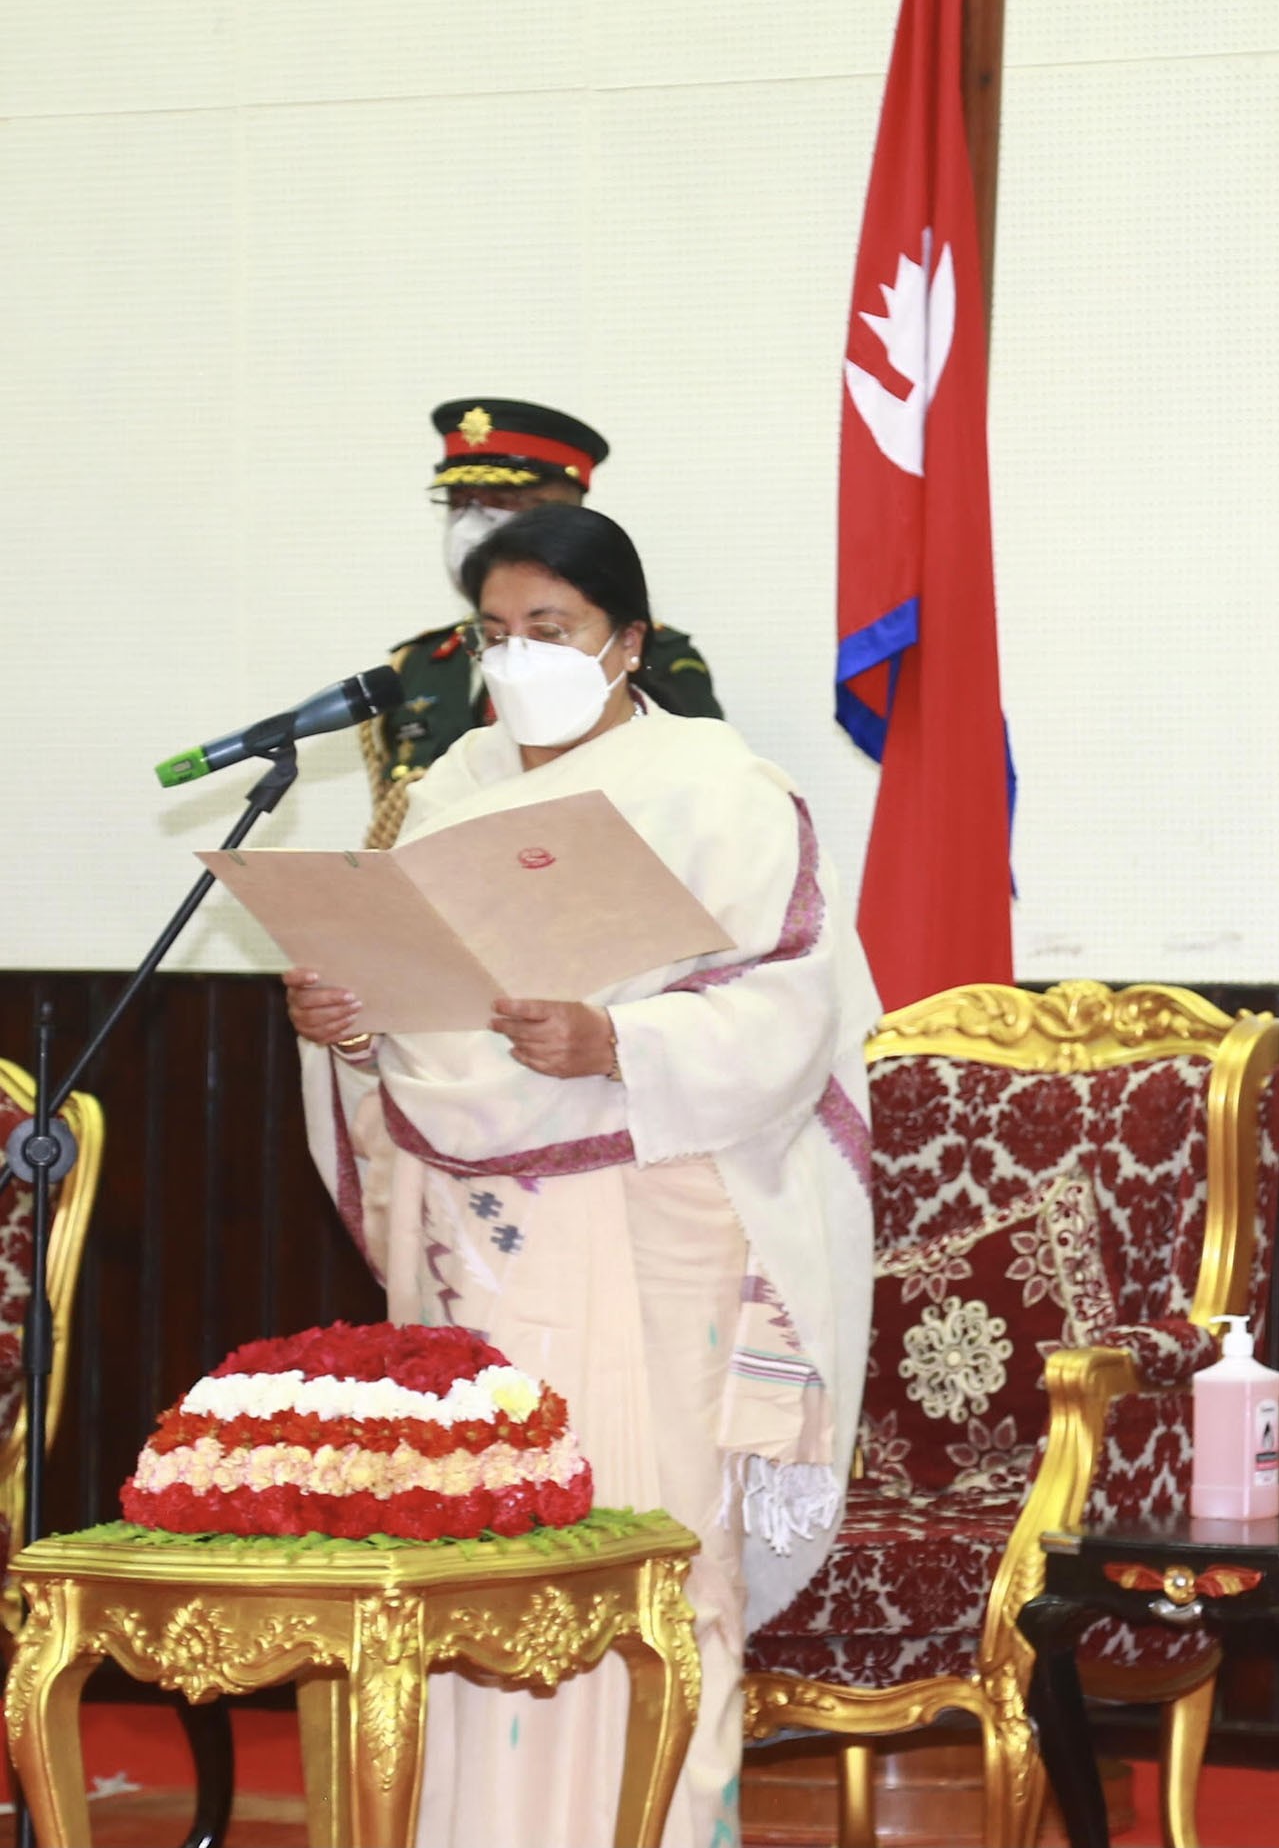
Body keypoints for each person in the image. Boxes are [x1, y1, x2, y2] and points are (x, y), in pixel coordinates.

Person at [288, 503, 875, 1848]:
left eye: (549, 630)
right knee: (475, 1561)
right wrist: (356, 1027)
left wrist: (619, 1038)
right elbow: (419, 1014)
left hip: (657, 1213)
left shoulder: (723, 791)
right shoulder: (450, 791)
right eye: (496, 636)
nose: (518, 661)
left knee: (645, 1557)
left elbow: (790, 1019)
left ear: (629, 643)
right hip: (479, 1244)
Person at [362, 400, 722, 849]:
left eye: (502, 501)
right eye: (460, 503)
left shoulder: (669, 681)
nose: (474, 525)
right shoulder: (422, 675)